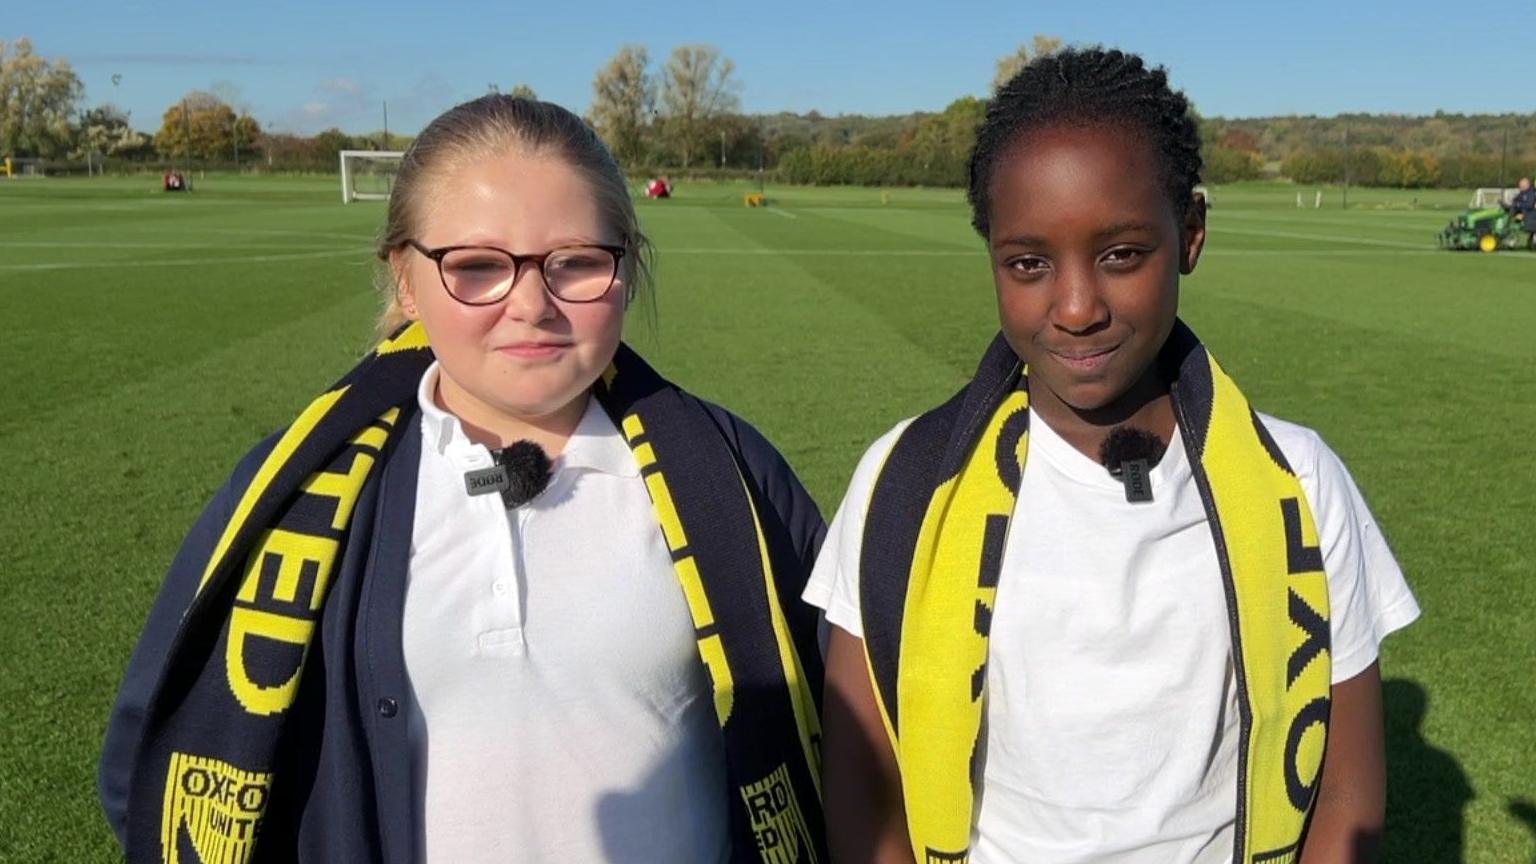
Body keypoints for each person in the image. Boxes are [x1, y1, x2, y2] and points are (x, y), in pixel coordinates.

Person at [100, 95, 827, 863]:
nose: (531, 306)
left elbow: (846, 737)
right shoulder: (297, 488)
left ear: (628, 263)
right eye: (477, 267)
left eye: (577, 262)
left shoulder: (729, 473)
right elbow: (153, 763)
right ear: (406, 282)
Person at [806, 48, 1419, 864]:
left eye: (1121, 255)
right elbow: (864, 779)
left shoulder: (1298, 481)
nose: (1075, 307)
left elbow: (1345, 793)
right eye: (1029, 264)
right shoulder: (907, 481)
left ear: (1191, 234)